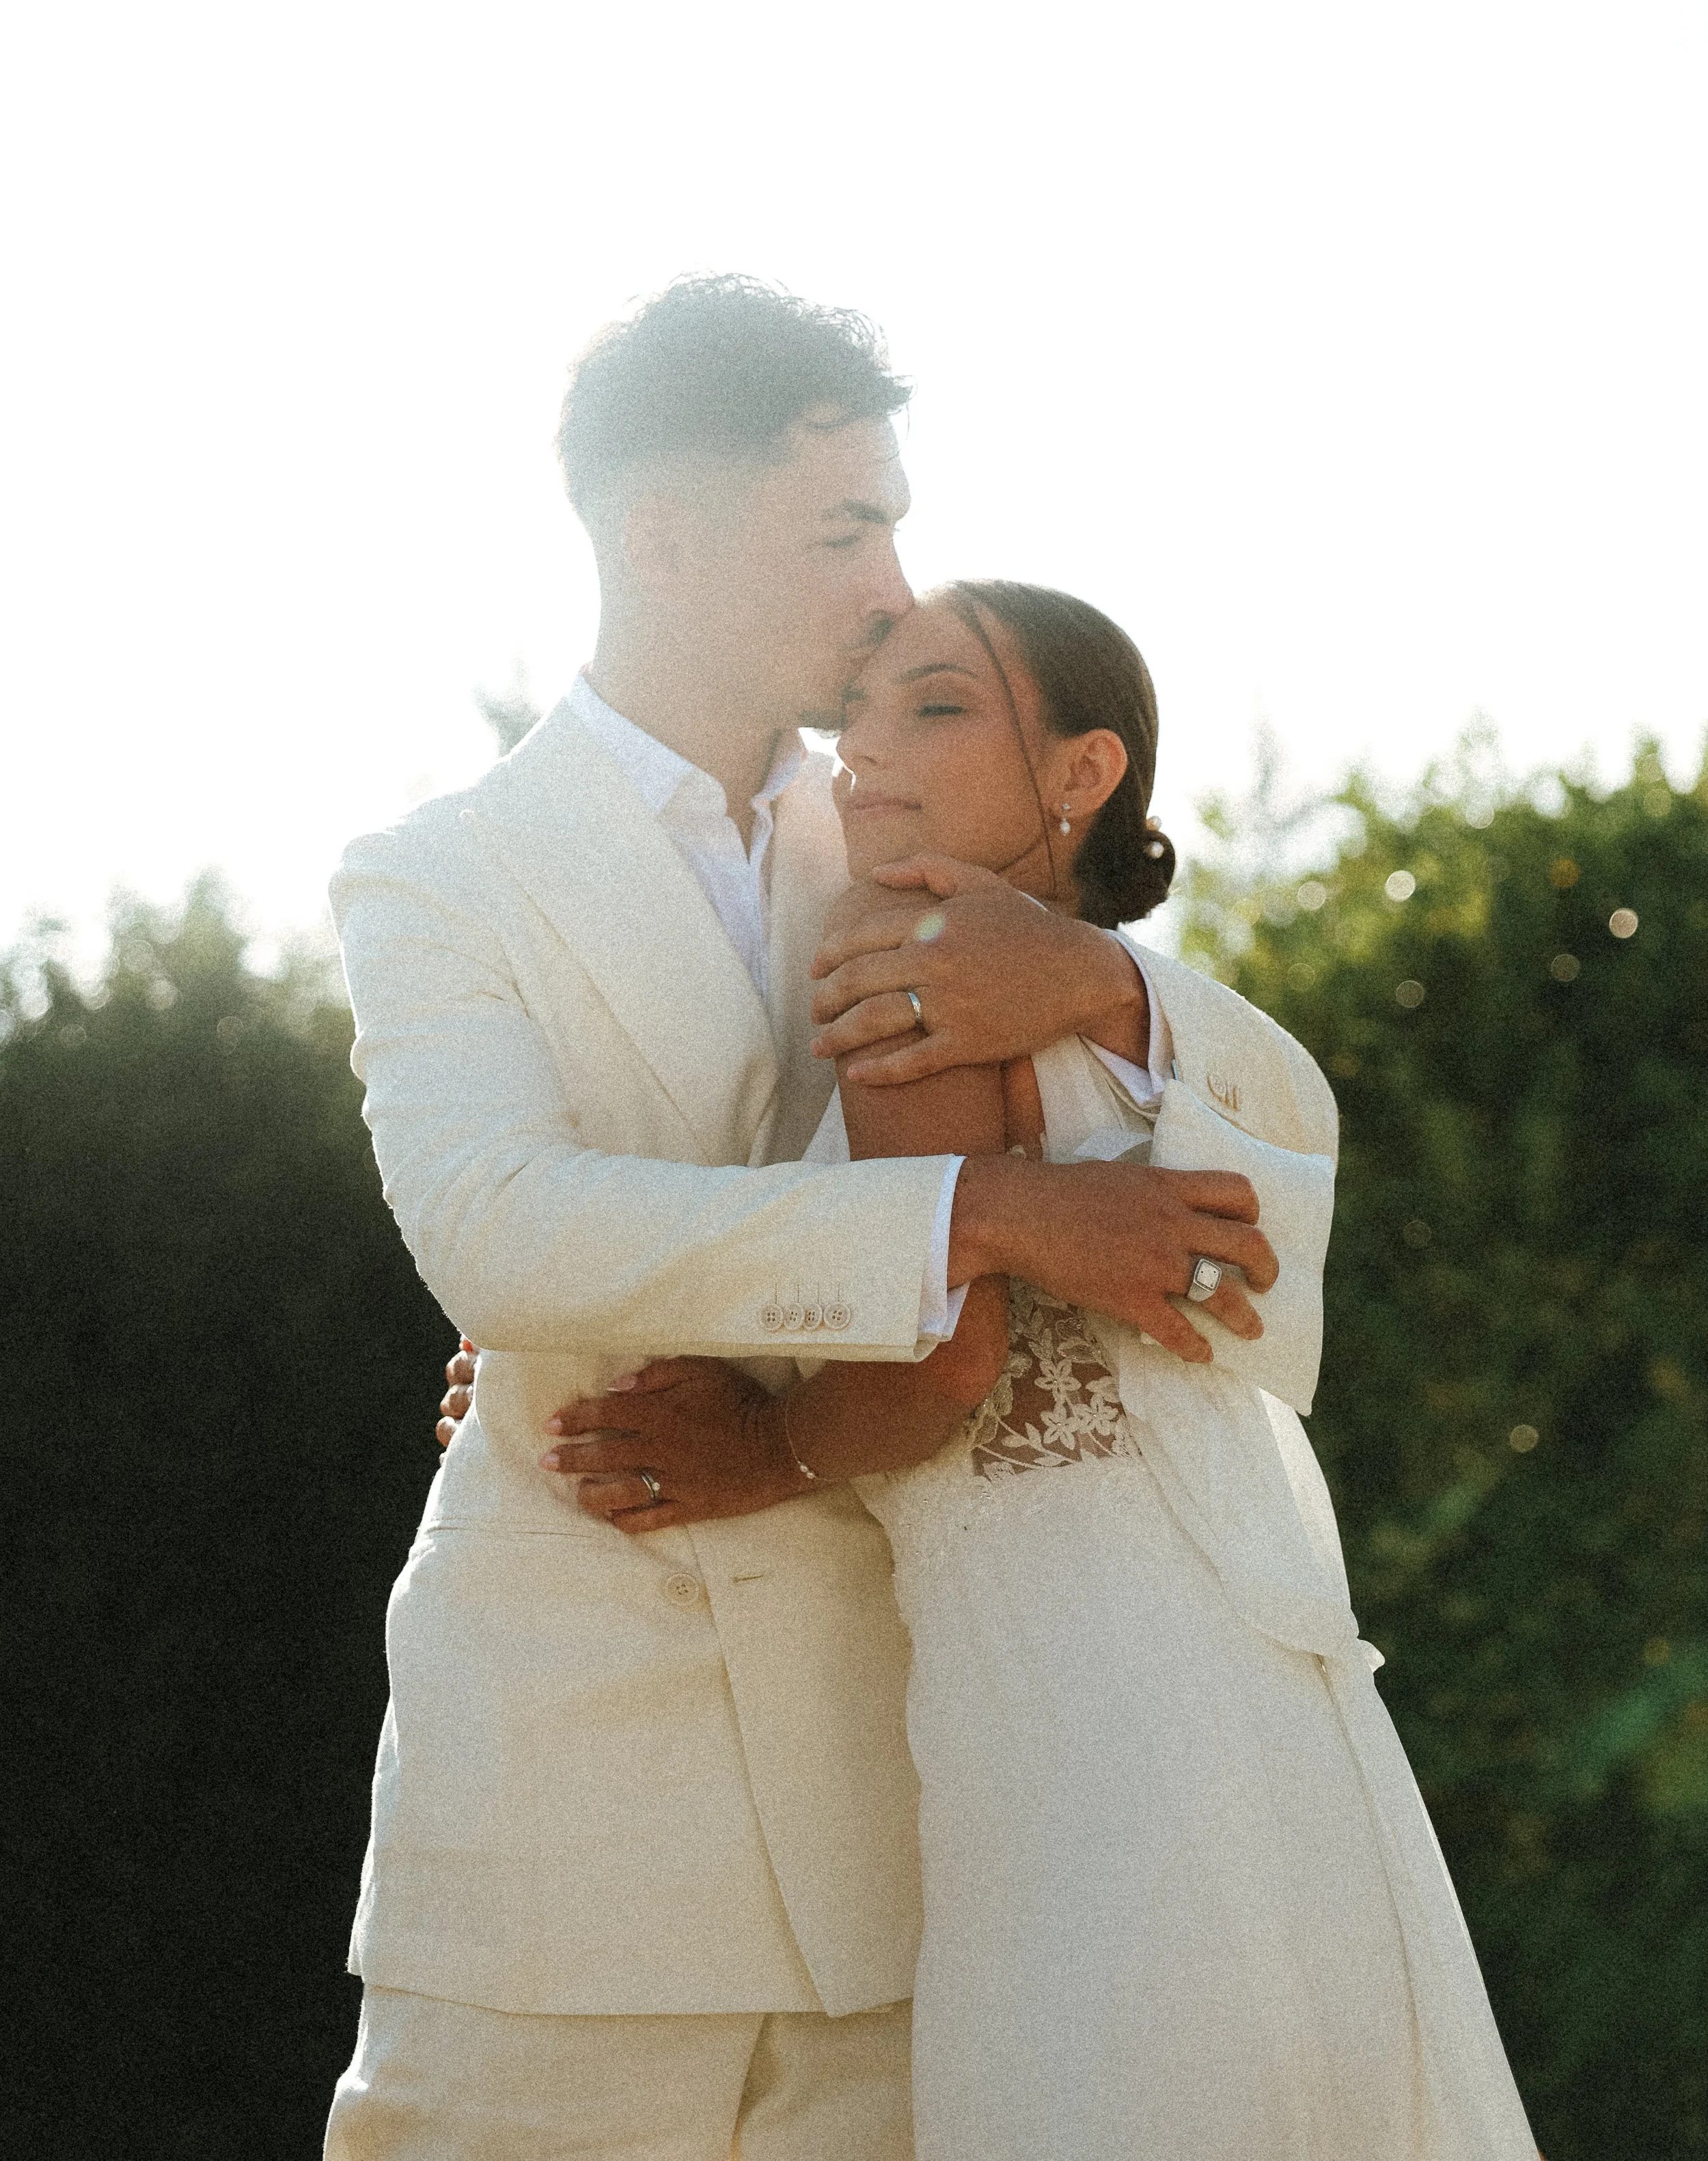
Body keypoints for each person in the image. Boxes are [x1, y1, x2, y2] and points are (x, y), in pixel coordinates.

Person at [322, 277, 1278, 2161]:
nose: (890, 583)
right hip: (569, 1819)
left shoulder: (927, 831)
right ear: (662, 537)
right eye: (846, 528)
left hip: (899, 1805)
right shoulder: (437, 874)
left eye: (893, 525)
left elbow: (1228, 1141)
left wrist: (1102, 1005)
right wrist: (979, 1212)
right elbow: (499, 1231)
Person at [546, 581, 1540, 2161]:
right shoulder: (1084, 988)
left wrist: (766, 1448)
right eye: (855, 712)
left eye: (933, 707)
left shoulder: (902, 950)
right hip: (1252, 1657)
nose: (866, 752)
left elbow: (941, 1373)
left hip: (1082, 1699)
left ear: (1080, 774)